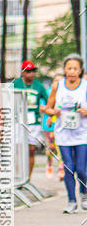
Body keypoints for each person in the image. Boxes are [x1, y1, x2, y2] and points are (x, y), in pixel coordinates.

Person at [45, 55, 87, 212]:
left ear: (80, 70)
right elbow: (48, 108)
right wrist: (53, 111)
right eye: (69, 68)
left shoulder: (85, 86)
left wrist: (85, 112)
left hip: (82, 133)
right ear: (64, 69)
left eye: (75, 68)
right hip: (63, 134)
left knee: (81, 169)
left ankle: (84, 193)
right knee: (68, 167)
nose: (72, 71)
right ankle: (71, 201)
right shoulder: (58, 86)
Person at [12, 60, 49, 178]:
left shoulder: (39, 85)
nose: (31, 74)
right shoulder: (15, 83)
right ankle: (18, 176)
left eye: (33, 71)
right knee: (18, 150)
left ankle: (28, 177)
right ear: (23, 72)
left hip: (34, 122)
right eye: (28, 71)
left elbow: (49, 102)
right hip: (18, 121)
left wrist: (48, 114)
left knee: (31, 150)